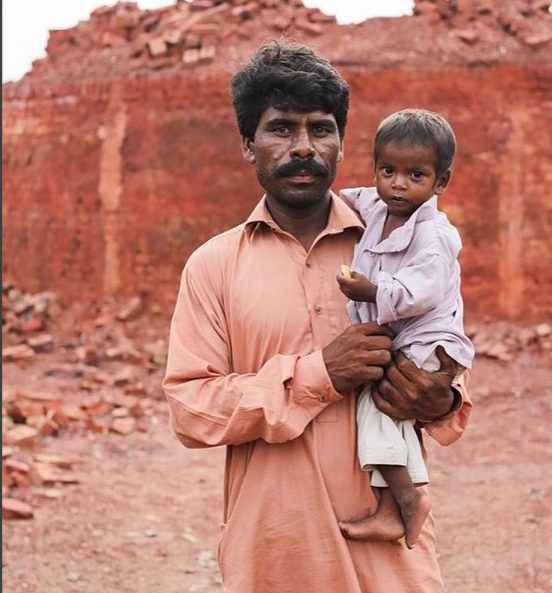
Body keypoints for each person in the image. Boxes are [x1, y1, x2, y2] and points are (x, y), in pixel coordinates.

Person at [162, 41, 471, 593]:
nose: (303, 147)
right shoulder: (213, 266)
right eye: (280, 129)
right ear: (247, 145)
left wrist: (441, 397)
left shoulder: (404, 243)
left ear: (341, 143)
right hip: (275, 553)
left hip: (389, 559)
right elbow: (192, 409)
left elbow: (443, 352)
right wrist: (318, 376)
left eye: (320, 129)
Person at [335, 109, 474, 550]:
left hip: (429, 338)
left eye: (415, 174)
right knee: (393, 417)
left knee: (378, 406)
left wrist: (372, 290)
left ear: (440, 182)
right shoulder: (379, 207)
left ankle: (407, 500)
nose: (398, 184)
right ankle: (401, 505)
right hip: (408, 338)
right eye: (387, 171)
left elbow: (423, 291)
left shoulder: (433, 235)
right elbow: (349, 199)